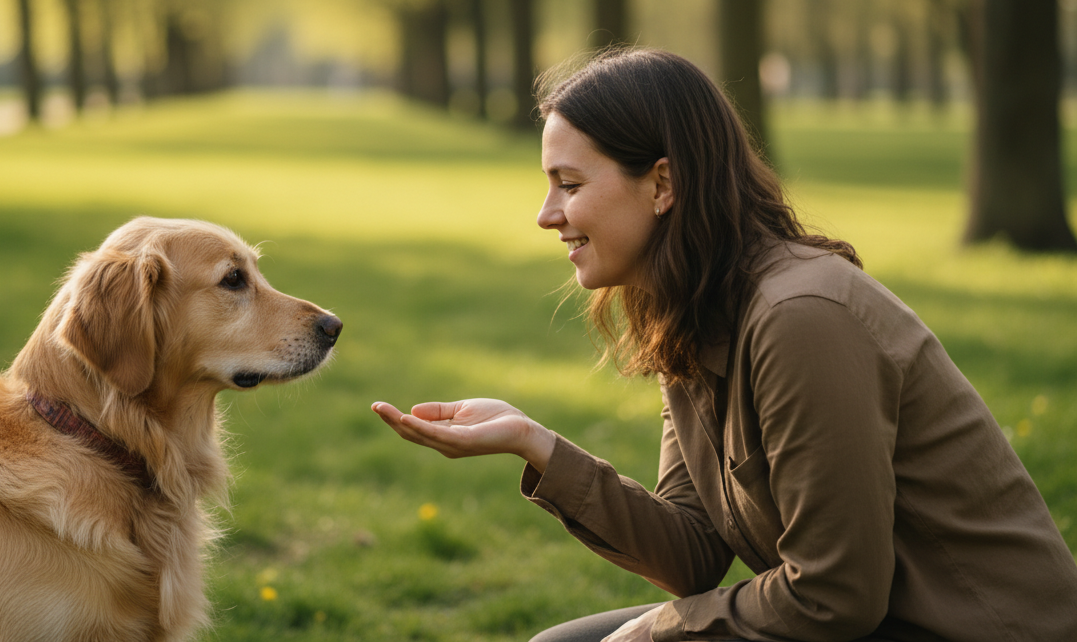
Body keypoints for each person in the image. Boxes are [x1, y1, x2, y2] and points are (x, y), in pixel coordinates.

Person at [371, 48, 1077, 642]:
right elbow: (692, 554)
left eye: (570, 184)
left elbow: (835, 595)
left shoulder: (801, 318)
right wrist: (536, 444)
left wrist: (654, 633)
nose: (546, 214)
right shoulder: (694, 308)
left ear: (663, 183)